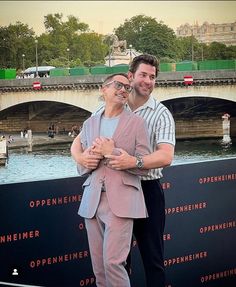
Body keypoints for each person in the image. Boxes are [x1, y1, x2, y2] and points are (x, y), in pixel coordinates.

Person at [71, 54, 175, 286]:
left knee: (152, 260)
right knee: (114, 261)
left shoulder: (160, 113)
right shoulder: (104, 109)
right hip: (108, 192)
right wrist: (82, 158)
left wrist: (131, 162)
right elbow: (79, 141)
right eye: (143, 75)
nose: (148, 81)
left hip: (146, 190)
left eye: (152, 77)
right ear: (131, 76)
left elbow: (166, 155)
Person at [71, 73, 151, 287]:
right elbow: (82, 165)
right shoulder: (89, 123)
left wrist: (112, 151)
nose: (124, 89)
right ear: (103, 89)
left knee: (113, 263)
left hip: (122, 201)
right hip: (93, 200)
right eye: (118, 85)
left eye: (127, 87)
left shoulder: (137, 123)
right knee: (98, 267)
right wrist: (86, 160)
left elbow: (145, 166)